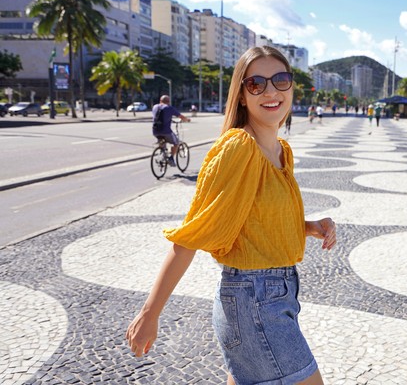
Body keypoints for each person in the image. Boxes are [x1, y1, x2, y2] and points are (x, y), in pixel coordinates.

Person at [127, 46, 337, 385]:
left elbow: (259, 221)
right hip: (254, 301)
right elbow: (192, 235)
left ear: (292, 87)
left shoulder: (281, 151)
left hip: (276, 296)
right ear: (241, 95)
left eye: (280, 80)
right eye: (256, 84)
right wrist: (150, 314)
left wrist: (310, 226)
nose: (271, 91)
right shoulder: (238, 147)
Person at [151, 95, 191, 166]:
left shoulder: (155, 107)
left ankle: (162, 155)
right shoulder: (169, 108)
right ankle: (171, 158)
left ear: (160, 101)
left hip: (155, 131)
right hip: (166, 132)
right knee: (176, 143)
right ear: (168, 102)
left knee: (162, 143)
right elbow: (180, 116)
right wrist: (187, 120)